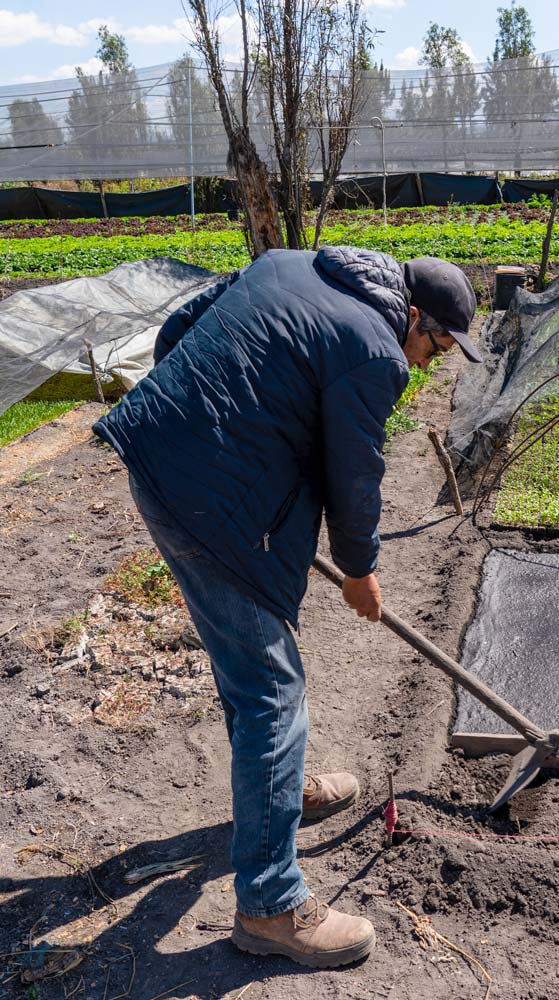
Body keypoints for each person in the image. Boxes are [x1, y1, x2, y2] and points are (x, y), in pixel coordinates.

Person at [93, 245, 480, 970]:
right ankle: (271, 907)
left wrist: (213, 427)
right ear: (415, 317)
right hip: (205, 501)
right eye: (436, 344)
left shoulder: (290, 264)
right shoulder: (376, 351)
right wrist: (361, 571)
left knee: (252, 669)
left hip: (158, 455)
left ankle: (279, 789)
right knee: (273, 690)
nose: (431, 363)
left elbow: (181, 330)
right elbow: (354, 471)